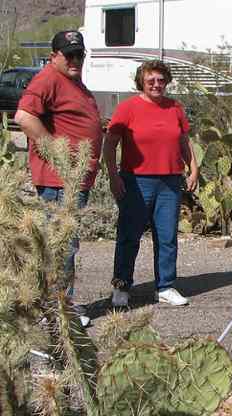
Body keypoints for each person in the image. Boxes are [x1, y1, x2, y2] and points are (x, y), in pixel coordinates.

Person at [15, 30, 103, 327]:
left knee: (64, 243)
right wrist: (56, 153)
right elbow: (25, 116)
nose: (76, 60)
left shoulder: (72, 81)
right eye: (69, 55)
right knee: (62, 244)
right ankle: (59, 308)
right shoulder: (48, 79)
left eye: (80, 54)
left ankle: (57, 304)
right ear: (54, 56)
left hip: (74, 178)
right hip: (58, 180)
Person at [104, 60, 198, 308]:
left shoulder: (175, 108)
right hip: (136, 181)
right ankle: (122, 287)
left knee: (167, 237)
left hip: (169, 181)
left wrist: (193, 168)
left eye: (161, 80)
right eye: (151, 80)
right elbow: (110, 143)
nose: (157, 85)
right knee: (129, 236)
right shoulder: (127, 108)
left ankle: (165, 286)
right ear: (142, 83)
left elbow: (184, 141)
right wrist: (113, 176)